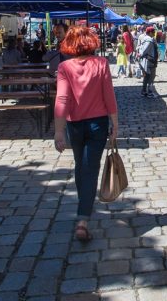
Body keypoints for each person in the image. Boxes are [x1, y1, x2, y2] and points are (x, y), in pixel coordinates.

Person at [53, 26, 119, 242]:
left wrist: (59, 131)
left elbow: (62, 99)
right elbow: (109, 95)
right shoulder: (101, 64)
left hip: (74, 125)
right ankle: (83, 220)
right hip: (97, 124)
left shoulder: (64, 67)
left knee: (81, 167)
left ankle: (84, 208)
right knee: (89, 169)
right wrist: (115, 123)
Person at [137, 26, 159, 98]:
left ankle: (143, 91)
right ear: (150, 32)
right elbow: (145, 50)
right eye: (153, 32)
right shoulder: (149, 40)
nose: (154, 33)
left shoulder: (145, 39)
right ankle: (149, 92)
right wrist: (141, 54)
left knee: (146, 77)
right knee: (151, 77)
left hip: (147, 60)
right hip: (149, 60)